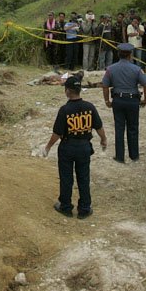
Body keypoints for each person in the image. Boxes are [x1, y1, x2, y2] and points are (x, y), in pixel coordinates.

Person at [44, 76, 107, 219]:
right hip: (84, 147)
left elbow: (57, 133)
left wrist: (48, 147)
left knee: (66, 178)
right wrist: (103, 140)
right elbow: (99, 127)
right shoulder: (89, 107)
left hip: (67, 147)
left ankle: (65, 206)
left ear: (67, 91)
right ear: (79, 90)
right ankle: (84, 208)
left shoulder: (64, 110)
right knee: (83, 177)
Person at [101, 43, 146, 163]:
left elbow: (105, 86)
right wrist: (145, 100)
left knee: (119, 128)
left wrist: (107, 100)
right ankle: (134, 155)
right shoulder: (137, 69)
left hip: (118, 100)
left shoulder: (111, 69)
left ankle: (120, 156)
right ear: (130, 55)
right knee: (133, 128)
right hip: (133, 100)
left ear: (118, 54)